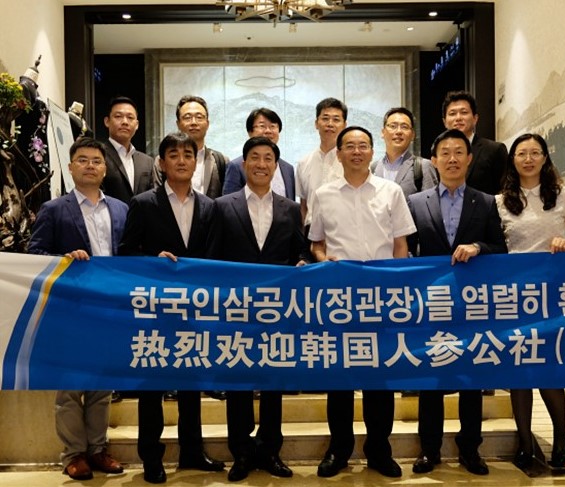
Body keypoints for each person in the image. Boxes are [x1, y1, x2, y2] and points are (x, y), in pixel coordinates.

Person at [309, 126, 416, 479]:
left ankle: (379, 450)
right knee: (339, 380)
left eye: (364, 146)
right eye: (350, 146)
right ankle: (339, 449)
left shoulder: (391, 191)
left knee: (379, 380)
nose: (357, 151)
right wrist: (323, 260)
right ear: (338, 154)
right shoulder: (323, 194)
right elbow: (317, 244)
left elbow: (400, 245)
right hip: (339, 299)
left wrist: (397, 289)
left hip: (381, 298)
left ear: (372, 152)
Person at [118, 132, 224, 484]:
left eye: (188, 154)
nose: (181, 160)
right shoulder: (143, 203)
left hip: (195, 309)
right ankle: (152, 456)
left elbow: (214, 258)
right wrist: (153, 259)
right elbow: (126, 252)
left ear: (196, 162)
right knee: (152, 387)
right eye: (174, 154)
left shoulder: (209, 206)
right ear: (161, 164)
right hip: (154, 310)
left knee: (191, 383)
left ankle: (193, 450)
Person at [210, 136, 311, 482]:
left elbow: (300, 250)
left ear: (276, 166)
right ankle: (241, 452)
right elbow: (212, 257)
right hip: (235, 309)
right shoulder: (222, 206)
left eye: (268, 158)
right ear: (243, 164)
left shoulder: (290, 208)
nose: (261, 164)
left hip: (276, 309)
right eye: (255, 157)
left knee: (272, 381)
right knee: (238, 381)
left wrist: (302, 262)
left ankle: (270, 450)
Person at [407, 129, 507, 476]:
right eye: (445, 153)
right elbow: (405, 252)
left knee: (471, 379)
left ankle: (470, 450)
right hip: (430, 303)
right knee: (430, 379)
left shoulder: (486, 201)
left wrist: (479, 247)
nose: (452, 159)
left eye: (459, 152)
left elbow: (501, 248)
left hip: (471, 305)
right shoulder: (416, 203)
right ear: (434, 161)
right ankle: (429, 450)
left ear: (469, 159)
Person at [28, 137, 126, 481]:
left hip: (109, 309)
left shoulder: (121, 209)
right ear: (70, 167)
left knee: (102, 386)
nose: (90, 166)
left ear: (105, 169)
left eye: (96, 161)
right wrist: (64, 260)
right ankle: (73, 454)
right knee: (70, 387)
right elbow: (35, 254)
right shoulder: (54, 209)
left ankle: (98, 450)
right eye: (82, 160)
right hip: (70, 310)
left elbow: (131, 255)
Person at [496, 133, 565, 469]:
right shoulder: (500, 201)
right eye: (522, 153)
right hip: (514, 295)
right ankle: (524, 441)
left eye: (535, 153)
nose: (528, 159)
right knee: (519, 370)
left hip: (551, 292)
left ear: (545, 158)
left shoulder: (564, 194)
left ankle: (560, 434)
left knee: (549, 366)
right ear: (513, 160)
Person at [155, 95, 228, 199]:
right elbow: (156, 198)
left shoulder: (221, 160)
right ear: (178, 124)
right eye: (187, 117)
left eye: (199, 117)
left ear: (207, 123)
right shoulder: (163, 160)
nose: (194, 122)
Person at [441, 90, 508, 196]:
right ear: (445, 122)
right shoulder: (439, 154)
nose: (458, 118)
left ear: (475, 118)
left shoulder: (495, 150)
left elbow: (505, 191)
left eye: (464, 112)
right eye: (452, 114)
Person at [295, 97, 347, 230]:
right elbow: (303, 206)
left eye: (336, 119)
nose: (330, 124)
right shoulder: (303, 163)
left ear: (344, 125)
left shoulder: (351, 162)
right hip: (311, 231)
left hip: (343, 231)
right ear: (316, 123)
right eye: (325, 118)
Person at [222, 108, 295, 199]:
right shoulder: (236, 166)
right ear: (250, 132)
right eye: (262, 126)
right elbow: (229, 203)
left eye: (273, 126)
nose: (268, 131)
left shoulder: (288, 169)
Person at [371, 106, 438, 198]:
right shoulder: (374, 168)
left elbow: (430, 205)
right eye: (393, 126)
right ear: (383, 132)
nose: (399, 131)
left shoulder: (423, 166)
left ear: (413, 135)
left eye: (404, 127)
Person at [101, 96, 156, 204]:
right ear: (107, 121)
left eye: (130, 117)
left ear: (137, 125)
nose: (125, 122)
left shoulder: (147, 161)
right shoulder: (98, 155)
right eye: (118, 116)